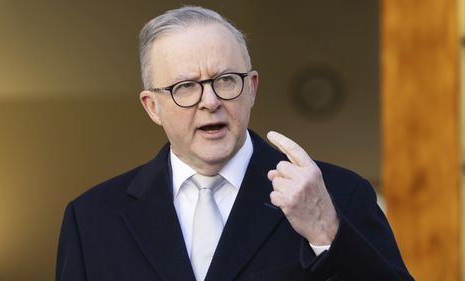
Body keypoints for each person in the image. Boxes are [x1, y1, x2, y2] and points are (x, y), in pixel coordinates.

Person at [56, 6, 414, 281]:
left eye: (225, 80)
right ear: (153, 107)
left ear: (252, 88)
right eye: (185, 87)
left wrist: (326, 233)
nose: (210, 101)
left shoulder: (338, 193)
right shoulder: (91, 219)